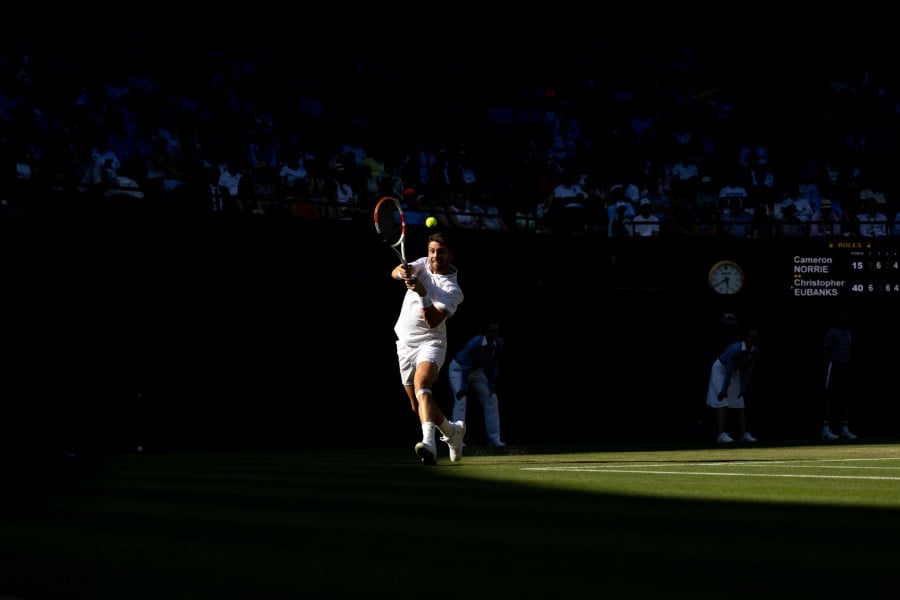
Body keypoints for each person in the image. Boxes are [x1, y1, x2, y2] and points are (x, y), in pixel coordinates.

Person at [391, 230, 466, 465]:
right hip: (404, 342)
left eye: (440, 252)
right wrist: (401, 271)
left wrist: (422, 292)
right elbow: (394, 273)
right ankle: (452, 432)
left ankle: (429, 445)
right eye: (432, 251)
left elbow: (432, 320)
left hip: (431, 343)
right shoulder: (422, 264)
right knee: (417, 406)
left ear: (450, 255)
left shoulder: (453, 291)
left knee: (423, 387)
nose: (435, 256)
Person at [449, 323, 506, 448]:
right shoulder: (475, 342)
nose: (493, 334)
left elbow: (494, 365)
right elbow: (465, 365)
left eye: (496, 331)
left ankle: (494, 439)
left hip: (477, 372)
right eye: (491, 331)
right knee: (461, 400)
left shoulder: (499, 343)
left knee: (492, 398)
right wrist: (463, 387)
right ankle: (456, 440)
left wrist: (491, 384)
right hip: (459, 369)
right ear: (485, 332)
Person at [706, 326, 760, 443]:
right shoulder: (735, 349)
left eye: (756, 337)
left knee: (739, 400)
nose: (755, 340)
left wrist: (743, 387)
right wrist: (724, 389)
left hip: (734, 371)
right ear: (746, 338)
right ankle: (720, 435)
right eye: (752, 337)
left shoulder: (754, 350)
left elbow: (748, 370)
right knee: (722, 400)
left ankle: (743, 434)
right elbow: (728, 370)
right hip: (721, 370)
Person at [821, 311, 859, 441]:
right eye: (841, 315)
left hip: (845, 367)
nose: (844, 318)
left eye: (845, 315)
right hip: (834, 367)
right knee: (829, 396)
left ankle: (844, 429)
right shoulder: (832, 332)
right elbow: (825, 350)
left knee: (845, 397)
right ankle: (826, 429)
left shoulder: (848, 332)